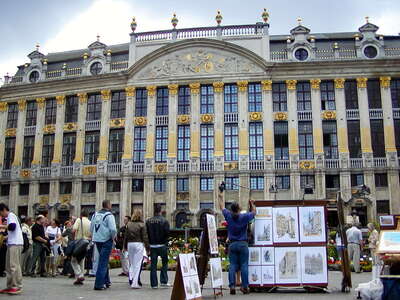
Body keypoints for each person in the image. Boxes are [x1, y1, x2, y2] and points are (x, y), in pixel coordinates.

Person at [218, 190, 256, 295]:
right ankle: (245, 286)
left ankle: (232, 286)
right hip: (243, 244)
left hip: (232, 244)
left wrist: (220, 196)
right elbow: (254, 213)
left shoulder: (229, 216)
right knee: (244, 265)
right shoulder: (244, 217)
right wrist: (252, 203)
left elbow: (221, 207)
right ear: (239, 209)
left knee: (232, 265)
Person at [90, 200, 117, 291]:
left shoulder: (95, 214)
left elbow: (91, 227)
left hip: (97, 240)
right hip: (106, 239)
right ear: (108, 205)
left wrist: (94, 236)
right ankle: (98, 284)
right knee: (103, 262)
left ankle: (106, 281)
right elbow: (113, 229)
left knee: (103, 260)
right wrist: (113, 237)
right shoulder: (109, 216)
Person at [0, 203, 23, 295]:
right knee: (8, 266)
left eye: (1, 213)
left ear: (3, 210)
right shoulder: (9, 217)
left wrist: (1, 226)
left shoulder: (11, 215)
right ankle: (10, 286)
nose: (1, 216)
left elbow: (12, 227)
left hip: (15, 243)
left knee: (14, 266)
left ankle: (16, 286)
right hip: (12, 243)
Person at [146, 204, 170, 289]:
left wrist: (148, 244)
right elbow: (167, 233)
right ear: (160, 210)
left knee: (153, 265)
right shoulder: (164, 221)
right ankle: (163, 281)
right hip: (162, 245)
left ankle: (154, 284)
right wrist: (165, 243)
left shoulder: (148, 221)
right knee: (164, 263)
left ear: (154, 210)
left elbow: (146, 234)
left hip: (152, 246)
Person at [124, 209, 149, 289]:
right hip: (138, 244)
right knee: (138, 264)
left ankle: (131, 278)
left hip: (130, 244)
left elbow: (126, 236)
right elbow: (145, 237)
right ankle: (135, 283)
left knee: (131, 263)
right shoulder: (142, 224)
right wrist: (147, 248)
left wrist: (124, 247)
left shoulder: (129, 224)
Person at [71, 210, 91, 285]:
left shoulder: (79, 220)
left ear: (81, 215)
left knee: (73, 260)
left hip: (79, 242)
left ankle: (79, 275)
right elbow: (92, 234)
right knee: (81, 260)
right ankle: (79, 278)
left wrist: (74, 238)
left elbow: (74, 230)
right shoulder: (90, 222)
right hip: (86, 243)